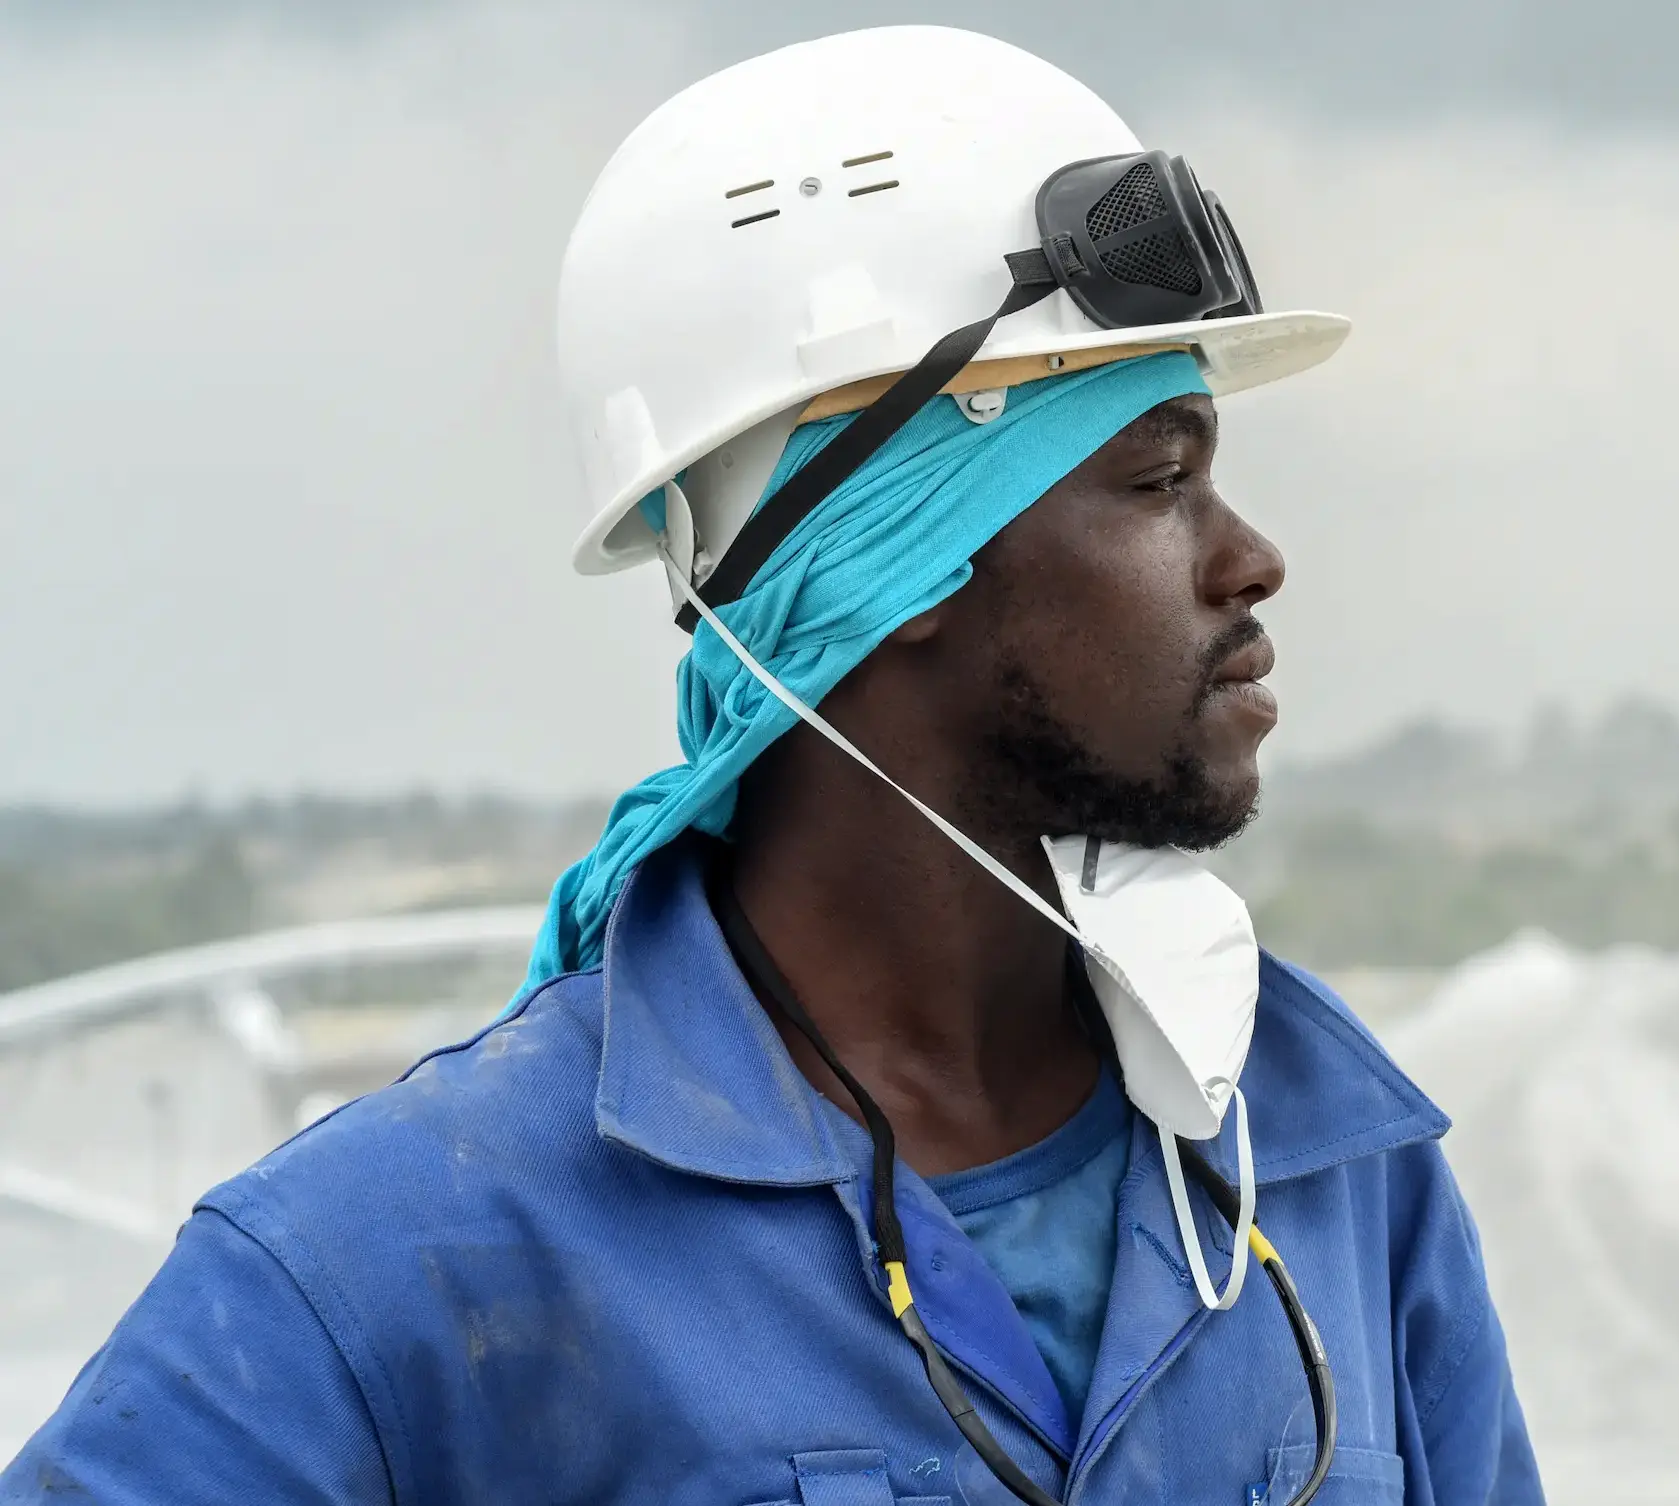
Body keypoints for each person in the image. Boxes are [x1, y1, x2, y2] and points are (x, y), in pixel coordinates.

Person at [0, 25, 1542, 1506]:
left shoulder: (1328, 1157)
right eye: (1160, 478)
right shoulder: (396, 1257)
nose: (1251, 560)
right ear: (902, 560)